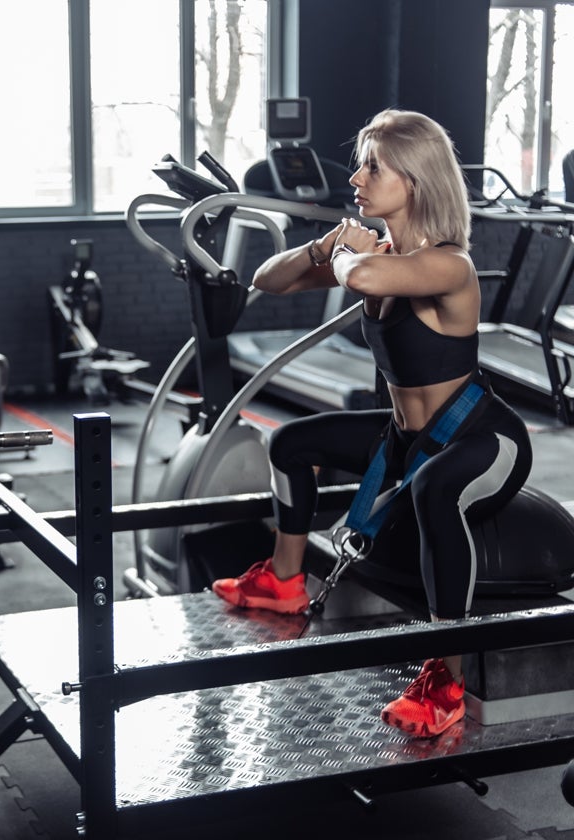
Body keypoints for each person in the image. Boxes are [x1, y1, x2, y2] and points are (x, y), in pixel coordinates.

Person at [210, 109, 532, 738]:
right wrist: (325, 245)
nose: (356, 176)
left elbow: (366, 275)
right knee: (290, 443)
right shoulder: (378, 253)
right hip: (405, 438)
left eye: (372, 166)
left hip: (483, 439)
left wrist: (351, 254)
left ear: (412, 180)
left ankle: (445, 679)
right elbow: (265, 278)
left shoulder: (448, 265)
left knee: (437, 492)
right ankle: (283, 580)